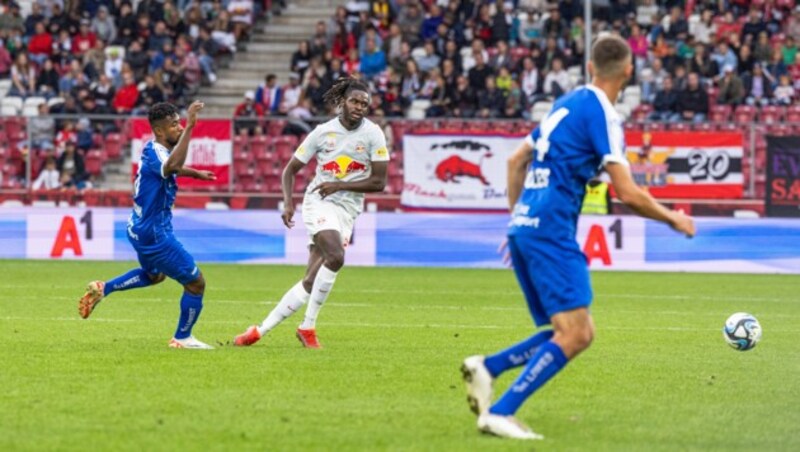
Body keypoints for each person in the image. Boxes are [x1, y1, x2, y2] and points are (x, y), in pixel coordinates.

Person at [460, 35, 695, 440]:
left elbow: (517, 160)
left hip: (527, 226)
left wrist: (518, 218)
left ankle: (490, 367)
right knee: (578, 333)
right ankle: (500, 411)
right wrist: (672, 218)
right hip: (551, 229)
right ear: (628, 71)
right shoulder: (603, 114)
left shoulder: (563, 104)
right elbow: (627, 192)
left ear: (589, 67)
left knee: (567, 328)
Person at [234, 77, 389, 348]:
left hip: (348, 209)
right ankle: (307, 327)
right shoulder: (322, 132)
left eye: (365, 104)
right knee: (336, 256)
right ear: (343, 102)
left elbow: (379, 182)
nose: (359, 107)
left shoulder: (373, 134)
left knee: (311, 279)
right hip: (319, 202)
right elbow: (289, 170)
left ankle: (259, 330)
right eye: (355, 101)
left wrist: (339, 184)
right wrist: (288, 202)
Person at [78, 101, 218, 350]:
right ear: (160, 131)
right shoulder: (158, 153)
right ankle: (182, 338)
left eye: (180, 123)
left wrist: (195, 173)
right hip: (155, 233)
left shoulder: (153, 150)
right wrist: (191, 128)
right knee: (196, 283)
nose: (180, 127)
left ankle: (104, 288)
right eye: (174, 124)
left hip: (138, 228)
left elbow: (171, 166)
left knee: (155, 276)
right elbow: (171, 166)